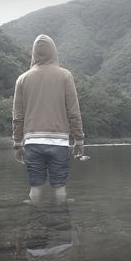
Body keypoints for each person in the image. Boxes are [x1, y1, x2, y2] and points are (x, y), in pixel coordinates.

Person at [12, 34, 85, 205]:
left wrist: (17, 143)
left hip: (32, 143)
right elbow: (73, 112)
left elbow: (18, 116)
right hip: (59, 143)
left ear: (34, 54)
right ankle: (60, 223)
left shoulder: (22, 79)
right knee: (59, 186)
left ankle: (35, 222)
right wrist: (79, 140)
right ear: (54, 52)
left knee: (35, 186)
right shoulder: (65, 76)